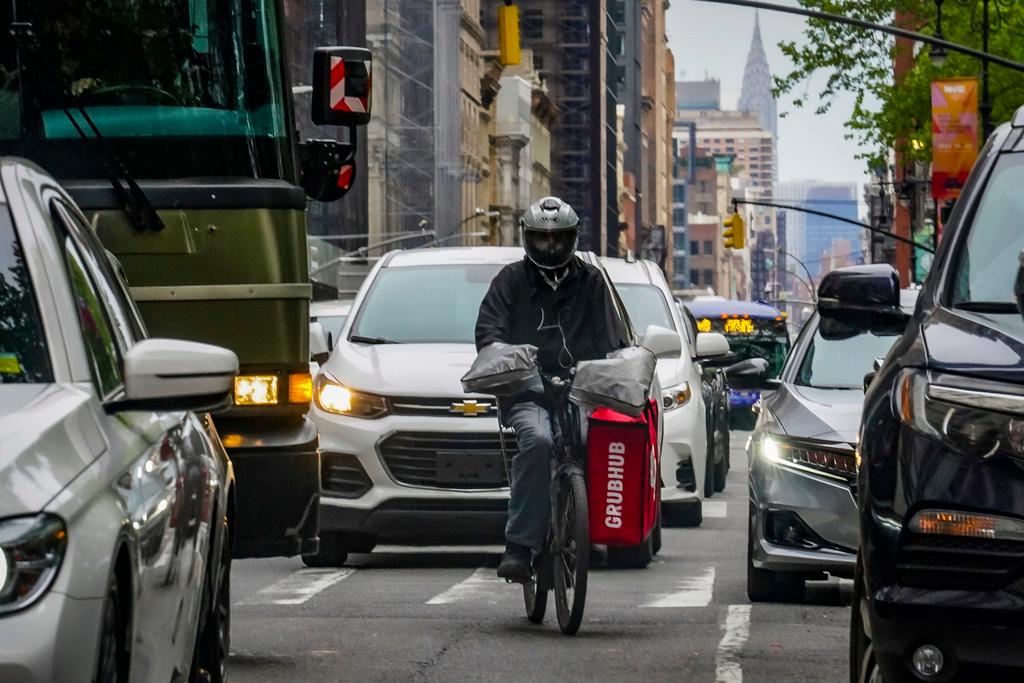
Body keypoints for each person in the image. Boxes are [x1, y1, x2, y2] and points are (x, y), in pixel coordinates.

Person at [475, 196, 631, 582]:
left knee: (598, 440)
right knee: (539, 441)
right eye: (541, 239)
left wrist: (617, 366)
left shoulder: (592, 281)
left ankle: (586, 528)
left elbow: (615, 340)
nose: (549, 247)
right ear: (527, 238)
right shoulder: (509, 280)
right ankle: (520, 545)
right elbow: (488, 333)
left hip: (582, 390)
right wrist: (513, 359)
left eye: (558, 239)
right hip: (527, 391)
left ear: (572, 238)